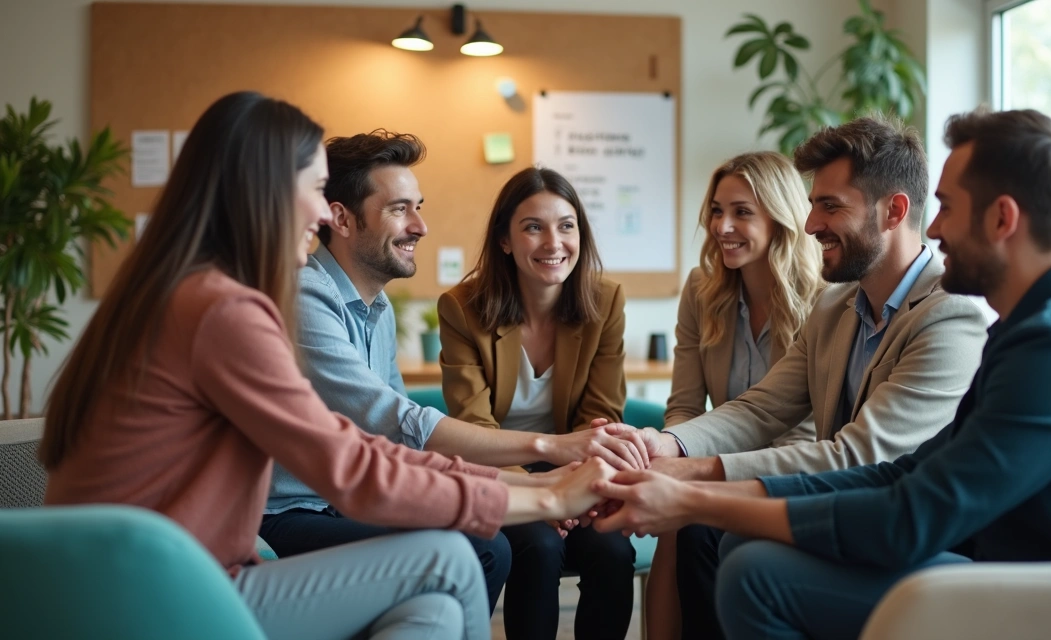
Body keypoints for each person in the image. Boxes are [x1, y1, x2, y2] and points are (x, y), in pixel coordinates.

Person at [590, 107, 1051, 640]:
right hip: (1034, 566)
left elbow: (906, 513)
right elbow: (905, 472)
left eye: (945, 208)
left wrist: (695, 497)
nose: (934, 228)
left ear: (1002, 219)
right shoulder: (1037, 327)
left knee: (757, 571)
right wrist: (686, 477)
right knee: (745, 552)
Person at [39, 91, 617, 640]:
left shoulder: (192, 291)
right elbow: (350, 463)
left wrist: (526, 483)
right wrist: (546, 495)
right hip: (152, 592)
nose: (322, 213)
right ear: (262, 190)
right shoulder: (224, 309)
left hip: (175, 572)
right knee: (451, 556)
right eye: (316, 190)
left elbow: (375, 448)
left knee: (435, 604)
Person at [629, 116, 989, 639]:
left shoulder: (949, 317)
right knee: (728, 543)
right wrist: (663, 445)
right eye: (813, 203)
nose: (810, 224)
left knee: (740, 555)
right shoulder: (835, 305)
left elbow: (858, 457)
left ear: (894, 211)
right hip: (848, 517)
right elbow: (761, 408)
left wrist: (695, 476)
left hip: (914, 537)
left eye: (831, 205)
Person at [259, 130, 649, 609]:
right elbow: (392, 419)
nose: (421, 226)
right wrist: (546, 461)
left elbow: (395, 446)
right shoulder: (305, 294)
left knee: (501, 545)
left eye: (418, 206)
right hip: (292, 510)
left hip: (350, 498)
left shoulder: (375, 307)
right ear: (340, 218)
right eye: (400, 208)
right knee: (486, 548)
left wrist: (540, 484)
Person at [438, 166, 637, 639]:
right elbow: (474, 429)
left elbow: (601, 417)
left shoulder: (605, 301)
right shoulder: (462, 307)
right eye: (533, 227)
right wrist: (542, 493)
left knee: (612, 551)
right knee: (539, 545)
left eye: (567, 225)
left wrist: (577, 490)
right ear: (505, 240)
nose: (554, 242)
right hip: (499, 476)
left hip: (580, 473)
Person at [647, 150, 824, 640]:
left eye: (742, 212)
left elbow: (810, 431)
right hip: (713, 465)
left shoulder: (826, 299)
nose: (722, 226)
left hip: (788, 472)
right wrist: (669, 455)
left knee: (694, 522)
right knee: (675, 522)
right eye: (717, 211)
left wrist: (711, 478)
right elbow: (684, 404)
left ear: (780, 217)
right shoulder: (702, 290)